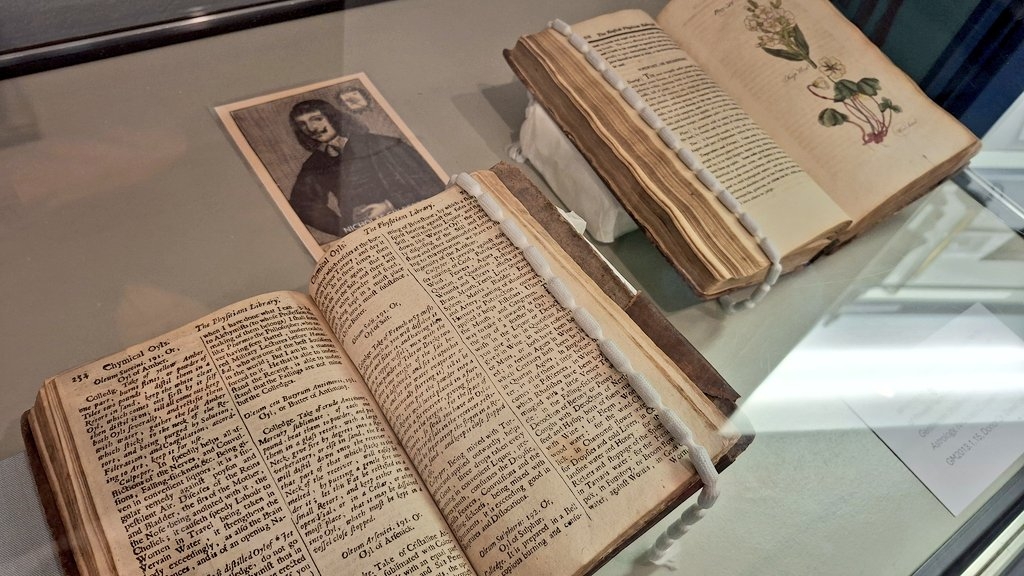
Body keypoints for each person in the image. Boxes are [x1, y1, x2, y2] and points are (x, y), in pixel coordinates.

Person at [287, 98, 443, 236]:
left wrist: (390, 204)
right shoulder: (314, 164)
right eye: (303, 125)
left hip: (412, 221)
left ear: (332, 117)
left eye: (317, 119)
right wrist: (344, 228)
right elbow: (302, 205)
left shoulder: (381, 144)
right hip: (366, 235)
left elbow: (430, 182)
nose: (312, 128)